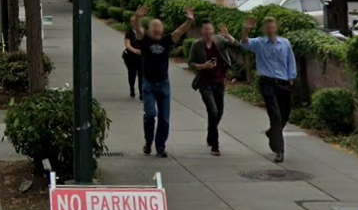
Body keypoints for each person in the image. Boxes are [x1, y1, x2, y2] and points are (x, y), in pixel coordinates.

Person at [126, 9, 192, 157]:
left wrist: (190, 21)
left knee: (164, 118)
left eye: (159, 26)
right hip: (149, 84)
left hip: (163, 84)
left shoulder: (167, 40)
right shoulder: (145, 39)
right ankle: (148, 142)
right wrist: (137, 16)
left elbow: (180, 31)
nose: (156, 29)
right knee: (150, 114)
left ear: (162, 29)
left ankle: (160, 146)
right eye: (154, 26)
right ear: (150, 29)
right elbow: (137, 28)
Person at [184, 8, 240, 156]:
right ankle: (215, 145)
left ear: (213, 30)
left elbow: (236, 45)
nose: (208, 32)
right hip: (205, 83)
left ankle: (210, 133)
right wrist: (204, 66)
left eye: (210, 29)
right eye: (205, 30)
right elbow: (190, 63)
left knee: (219, 112)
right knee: (212, 111)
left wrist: (228, 36)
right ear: (201, 31)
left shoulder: (220, 41)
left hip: (219, 81)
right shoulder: (197, 44)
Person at [242, 14, 297, 162]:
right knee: (275, 115)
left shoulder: (285, 43)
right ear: (264, 29)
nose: (271, 30)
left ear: (276, 28)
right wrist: (246, 30)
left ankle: (272, 132)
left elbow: (290, 60)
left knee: (284, 114)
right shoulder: (259, 43)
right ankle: (279, 150)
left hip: (283, 82)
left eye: (273, 27)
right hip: (267, 83)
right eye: (268, 27)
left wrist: (291, 77)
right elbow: (245, 43)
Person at [122, 7, 147, 97]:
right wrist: (134, 50)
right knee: (132, 73)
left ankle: (141, 93)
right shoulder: (129, 32)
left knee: (142, 75)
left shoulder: (143, 31)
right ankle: (132, 89)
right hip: (130, 57)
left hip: (141, 57)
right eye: (132, 22)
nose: (134, 23)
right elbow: (127, 44)